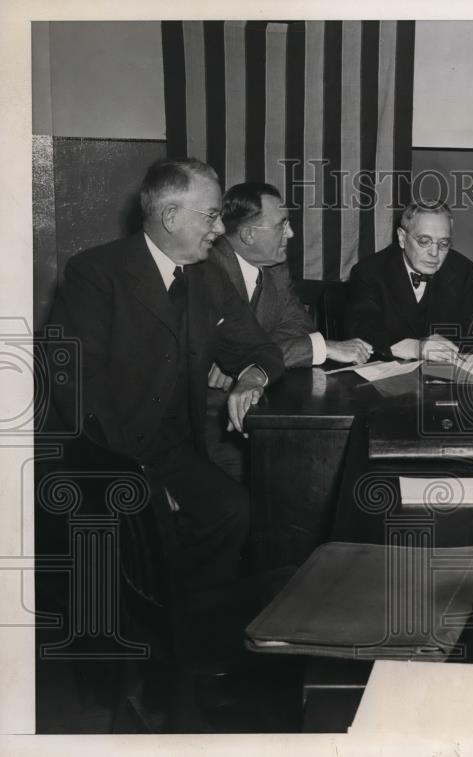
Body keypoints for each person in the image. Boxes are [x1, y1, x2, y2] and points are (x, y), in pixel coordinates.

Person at [47, 157, 285, 604]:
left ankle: (184, 618)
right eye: (212, 215)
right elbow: (78, 390)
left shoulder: (208, 275)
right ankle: (149, 622)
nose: (219, 229)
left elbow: (262, 350)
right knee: (142, 543)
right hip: (107, 456)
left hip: (173, 450)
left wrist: (252, 377)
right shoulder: (96, 274)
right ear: (171, 216)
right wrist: (144, 479)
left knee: (234, 510)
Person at [205, 182, 371, 480]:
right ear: (248, 234)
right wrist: (321, 347)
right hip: (213, 425)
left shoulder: (274, 266)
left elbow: (298, 323)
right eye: (282, 226)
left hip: (260, 402)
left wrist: (244, 359)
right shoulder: (208, 269)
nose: (291, 234)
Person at [345, 200, 473, 363]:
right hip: (386, 378)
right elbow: (361, 329)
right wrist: (416, 348)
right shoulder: (369, 271)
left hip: (445, 375)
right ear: (402, 237)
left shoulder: (463, 270)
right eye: (424, 241)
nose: (434, 253)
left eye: (443, 243)